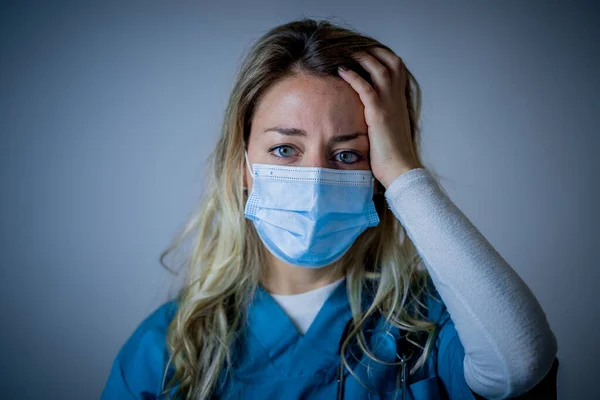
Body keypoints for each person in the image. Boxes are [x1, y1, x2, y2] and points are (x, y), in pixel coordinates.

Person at [100, 18, 558, 399]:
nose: (315, 179)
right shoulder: (168, 349)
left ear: (378, 175)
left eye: (347, 155)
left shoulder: (429, 327)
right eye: (284, 150)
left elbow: (519, 364)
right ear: (241, 167)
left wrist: (403, 170)